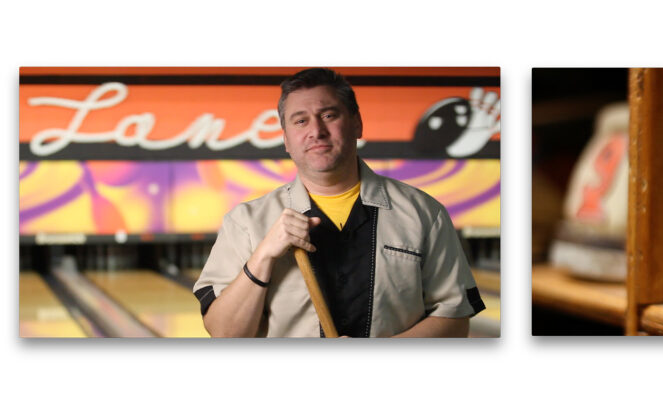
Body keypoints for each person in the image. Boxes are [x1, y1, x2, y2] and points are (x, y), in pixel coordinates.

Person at [192, 68, 485, 337]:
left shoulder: (424, 213)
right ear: (286, 139)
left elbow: (456, 319)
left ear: (357, 123)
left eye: (329, 115)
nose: (316, 130)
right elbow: (224, 334)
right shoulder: (245, 222)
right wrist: (264, 255)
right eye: (301, 120)